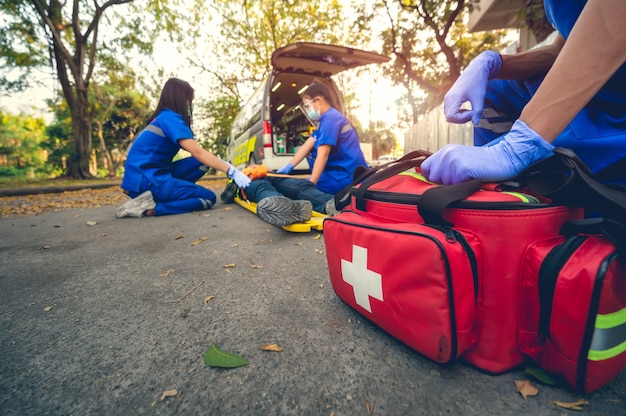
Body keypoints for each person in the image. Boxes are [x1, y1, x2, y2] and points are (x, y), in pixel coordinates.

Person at [421, 0, 626, 187]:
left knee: (557, 173)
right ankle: (498, 202)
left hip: (614, 113)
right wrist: (495, 64)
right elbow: (564, 46)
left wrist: (519, 145)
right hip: (598, 98)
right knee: (494, 88)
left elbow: (615, 20)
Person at [238, 81, 368, 227]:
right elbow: (307, 145)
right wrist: (288, 167)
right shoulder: (326, 120)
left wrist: (311, 183)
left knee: (296, 186)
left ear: (318, 100)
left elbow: (322, 155)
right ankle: (297, 202)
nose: (306, 109)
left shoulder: (330, 118)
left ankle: (295, 204)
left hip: (344, 178)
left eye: (306, 105)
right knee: (290, 182)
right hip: (341, 175)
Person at [116, 78, 250, 218]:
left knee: (203, 162)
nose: (190, 106)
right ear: (181, 99)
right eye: (189, 101)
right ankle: (152, 208)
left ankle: (174, 192)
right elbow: (197, 152)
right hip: (148, 182)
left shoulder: (164, 117)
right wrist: (232, 171)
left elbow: (201, 156)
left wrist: (224, 165)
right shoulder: (170, 118)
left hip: (145, 178)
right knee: (208, 198)